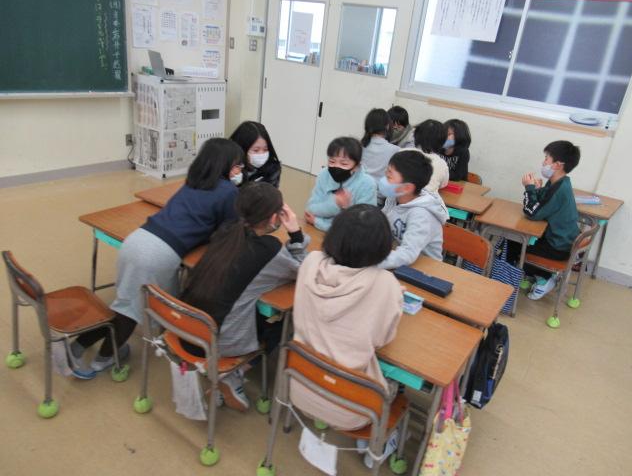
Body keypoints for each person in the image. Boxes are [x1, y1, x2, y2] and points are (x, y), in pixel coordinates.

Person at [68, 138, 245, 379]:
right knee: (131, 311)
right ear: (224, 165)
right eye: (237, 166)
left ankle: (79, 347)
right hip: (158, 254)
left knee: (125, 302)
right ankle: (104, 358)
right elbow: (229, 231)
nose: (238, 171)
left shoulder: (193, 182)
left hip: (137, 240)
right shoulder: (228, 191)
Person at [180, 182, 309, 411]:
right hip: (215, 340)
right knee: (282, 324)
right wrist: (295, 233)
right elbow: (302, 270)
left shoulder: (226, 231)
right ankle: (234, 373)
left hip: (185, 328)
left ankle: (230, 375)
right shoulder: (268, 248)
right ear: (274, 217)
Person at [291, 204, 403, 431]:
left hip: (300, 388)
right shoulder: (385, 283)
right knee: (398, 384)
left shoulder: (311, 262)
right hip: (352, 410)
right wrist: (391, 298)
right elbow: (382, 340)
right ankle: (377, 446)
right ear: (382, 246)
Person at [518, 140, 581, 300]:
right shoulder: (559, 182)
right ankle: (535, 274)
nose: (543, 162)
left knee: (514, 243)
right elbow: (544, 202)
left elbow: (532, 213)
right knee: (516, 240)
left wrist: (529, 188)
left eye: (547, 158)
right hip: (561, 240)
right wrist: (537, 189)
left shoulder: (559, 189)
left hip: (557, 246)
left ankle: (544, 278)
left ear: (557, 165)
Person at [377, 150, 449, 269]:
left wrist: (368, 261)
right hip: (403, 262)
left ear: (407, 188)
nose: (384, 179)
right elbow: (381, 226)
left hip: (426, 270)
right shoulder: (394, 197)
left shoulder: (421, 215)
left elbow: (407, 254)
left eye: (389, 176)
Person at [305, 137, 376, 231]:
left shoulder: (367, 184)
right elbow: (310, 209)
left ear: (357, 166)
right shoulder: (324, 174)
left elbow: (360, 226)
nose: (336, 166)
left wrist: (318, 222)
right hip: (317, 231)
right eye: (332, 161)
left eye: (344, 164)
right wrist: (336, 203)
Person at [360, 108, 400, 204]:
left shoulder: (359, 146)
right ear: (387, 126)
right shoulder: (395, 150)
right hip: (377, 200)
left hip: (355, 194)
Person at [229, 121, 282, 187]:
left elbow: (271, 191)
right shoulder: (230, 165)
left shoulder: (272, 168)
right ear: (242, 148)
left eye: (265, 149)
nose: (261, 154)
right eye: (256, 150)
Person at [413, 119, 450, 193]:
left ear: (416, 135)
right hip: (428, 199)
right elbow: (443, 184)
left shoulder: (403, 152)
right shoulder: (441, 163)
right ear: (442, 141)